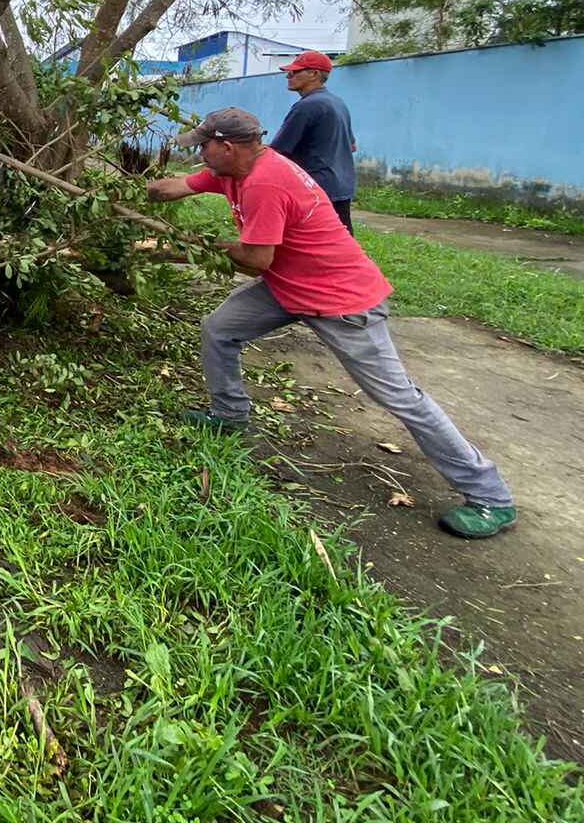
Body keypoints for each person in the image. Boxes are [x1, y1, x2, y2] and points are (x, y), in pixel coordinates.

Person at [146, 107, 517, 539]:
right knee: (220, 329)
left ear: (227, 146)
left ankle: (491, 496)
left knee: (401, 399)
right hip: (289, 287)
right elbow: (175, 187)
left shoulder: (266, 182)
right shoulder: (232, 171)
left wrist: (175, 248)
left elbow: (253, 260)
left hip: (342, 301)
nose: (200, 155)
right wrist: (129, 195)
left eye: (204, 146)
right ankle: (229, 413)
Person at [269, 50, 356, 232]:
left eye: (294, 72)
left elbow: (278, 152)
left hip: (316, 187)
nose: (288, 76)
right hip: (341, 186)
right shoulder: (337, 103)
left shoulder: (307, 106)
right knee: (342, 241)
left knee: (313, 241)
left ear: (314, 74)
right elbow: (352, 145)